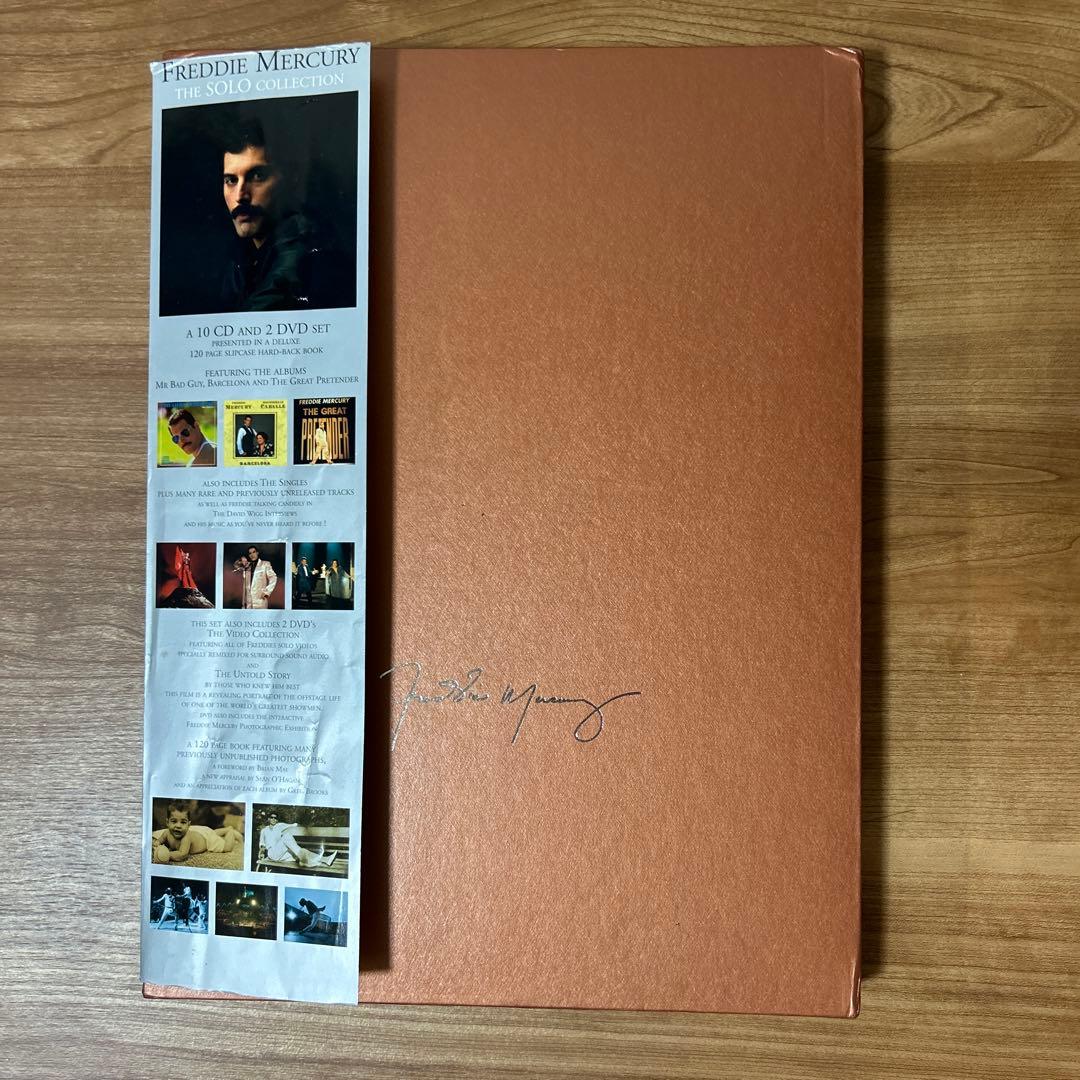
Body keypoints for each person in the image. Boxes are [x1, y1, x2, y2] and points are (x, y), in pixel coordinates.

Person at [218, 116, 351, 312]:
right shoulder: (243, 256)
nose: (240, 196)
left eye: (257, 176)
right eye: (231, 180)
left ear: (291, 179)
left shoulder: (304, 252)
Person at [153, 803, 244, 865]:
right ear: (167, 822)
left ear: (188, 825)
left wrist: (168, 854)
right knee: (212, 832)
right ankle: (224, 830)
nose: (178, 826)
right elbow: (160, 840)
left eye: (183, 822)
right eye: (174, 821)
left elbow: (182, 854)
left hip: (207, 840)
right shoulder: (166, 833)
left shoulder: (186, 837)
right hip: (201, 832)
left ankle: (230, 831)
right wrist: (157, 843)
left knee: (226, 848)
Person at [258, 811, 336, 870]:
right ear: (268, 819)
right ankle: (304, 861)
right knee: (287, 836)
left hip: (282, 854)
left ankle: (325, 859)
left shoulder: (280, 826)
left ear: (277, 820)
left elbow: (294, 825)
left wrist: (302, 824)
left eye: (275, 818)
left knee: (300, 853)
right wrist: (261, 852)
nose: (273, 819)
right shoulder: (264, 830)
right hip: (272, 853)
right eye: (271, 817)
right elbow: (262, 844)